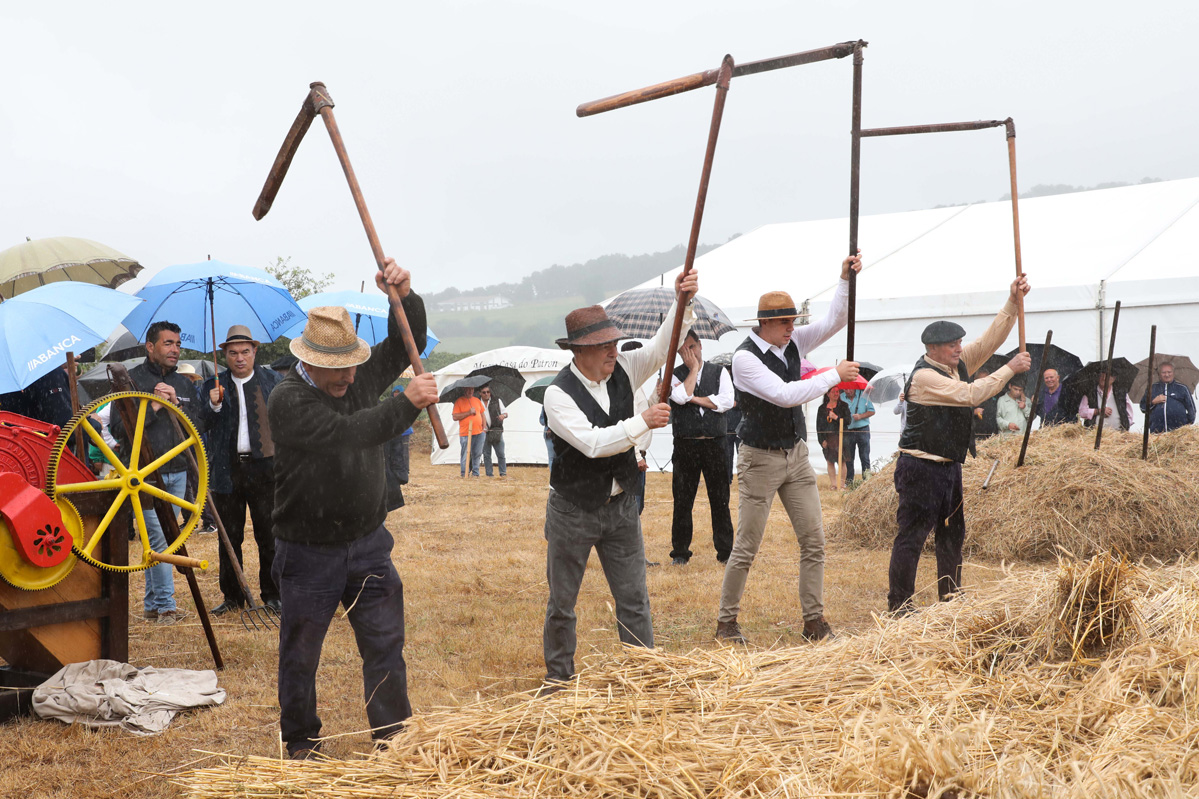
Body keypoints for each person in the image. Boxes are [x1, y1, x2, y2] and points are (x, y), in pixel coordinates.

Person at [267, 258, 438, 760]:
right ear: (309, 361)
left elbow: (410, 341)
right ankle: (300, 742)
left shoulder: (357, 378)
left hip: (368, 545)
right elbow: (347, 435)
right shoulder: (287, 400)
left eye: (351, 366)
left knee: (385, 645)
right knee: (300, 656)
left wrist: (403, 297)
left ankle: (395, 739)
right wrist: (405, 403)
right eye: (335, 369)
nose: (347, 377)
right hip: (307, 552)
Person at [540, 269, 698, 686]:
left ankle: (643, 676)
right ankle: (559, 680)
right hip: (572, 510)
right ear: (579, 351)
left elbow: (665, 342)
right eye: (603, 346)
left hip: (621, 505)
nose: (613, 351)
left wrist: (683, 301)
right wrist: (641, 422)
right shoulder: (557, 395)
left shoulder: (625, 367)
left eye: (613, 343)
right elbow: (592, 443)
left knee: (634, 598)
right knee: (562, 602)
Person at [716, 253, 862, 645]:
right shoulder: (744, 359)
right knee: (746, 545)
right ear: (763, 323)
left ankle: (814, 622)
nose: (791, 327)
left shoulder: (793, 340)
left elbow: (836, 320)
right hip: (759, 457)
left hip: (794, 453)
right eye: (783, 321)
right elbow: (783, 395)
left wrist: (844, 279)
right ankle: (726, 623)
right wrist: (835, 374)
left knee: (814, 540)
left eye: (793, 321)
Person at [888, 275, 1032, 616]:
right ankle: (899, 606)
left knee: (952, 536)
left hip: (949, 466)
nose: (958, 347)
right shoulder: (925, 376)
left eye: (959, 342)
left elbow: (989, 341)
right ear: (933, 349)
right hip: (920, 467)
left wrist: (1012, 301)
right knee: (912, 538)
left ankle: (950, 600)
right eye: (952, 344)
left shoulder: (957, 364)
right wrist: (1009, 370)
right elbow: (969, 395)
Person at [110, 321, 202, 625]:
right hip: (145, 475)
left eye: (177, 344)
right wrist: (154, 408)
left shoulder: (185, 383)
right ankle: (166, 606)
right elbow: (118, 430)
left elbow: (197, 428)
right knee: (162, 538)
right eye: (167, 343)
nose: (175, 349)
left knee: (159, 538)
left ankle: (152, 605)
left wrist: (176, 404)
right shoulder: (129, 381)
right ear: (150, 347)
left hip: (179, 471)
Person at [198, 326, 284, 616]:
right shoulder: (213, 384)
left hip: (265, 469)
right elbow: (201, 425)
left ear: (254, 352)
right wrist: (213, 405)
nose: (239, 358)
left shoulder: (272, 381)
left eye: (245, 351)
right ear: (224, 354)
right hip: (227, 470)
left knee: (269, 535)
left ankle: (273, 595)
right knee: (229, 536)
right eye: (233, 353)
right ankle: (233, 596)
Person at [668, 330, 735, 566]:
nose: (690, 353)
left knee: (720, 499)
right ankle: (680, 552)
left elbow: (726, 401)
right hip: (686, 445)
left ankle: (726, 552)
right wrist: (693, 370)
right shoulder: (673, 374)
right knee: (683, 500)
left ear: (700, 346)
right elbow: (678, 396)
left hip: (715, 444)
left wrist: (695, 399)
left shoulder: (720, 371)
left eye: (693, 347)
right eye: (684, 349)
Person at [1140, 362, 1195, 433]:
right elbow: (1143, 408)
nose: (1167, 375)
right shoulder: (1152, 388)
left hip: (1179, 433)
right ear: (1159, 374)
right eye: (1163, 372)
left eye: (1169, 372)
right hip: (1157, 432)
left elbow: (1192, 409)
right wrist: (1153, 402)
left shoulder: (1182, 388)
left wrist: (1185, 424)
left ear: (1173, 373)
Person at [816, 386, 850, 490]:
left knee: (842, 461)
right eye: (834, 392)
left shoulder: (844, 406)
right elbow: (819, 426)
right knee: (830, 461)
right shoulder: (822, 408)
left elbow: (848, 421)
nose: (836, 393)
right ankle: (834, 484)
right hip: (828, 439)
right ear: (828, 394)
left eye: (838, 391)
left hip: (841, 437)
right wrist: (822, 440)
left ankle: (842, 484)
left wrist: (836, 418)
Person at [840, 387, 875, 483]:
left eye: (850, 389)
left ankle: (867, 481)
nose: (848, 391)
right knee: (849, 458)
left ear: (854, 387)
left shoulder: (864, 395)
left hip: (863, 429)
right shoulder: (841, 397)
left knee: (864, 456)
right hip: (848, 430)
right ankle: (849, 481)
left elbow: (872, 411)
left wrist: (860, 416)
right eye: (846, 389)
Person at [451, 386, 486, 477]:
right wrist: (468, 412)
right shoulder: (459, 401)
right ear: (464, 390)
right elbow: (455, 417)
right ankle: (464, 473)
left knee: (477, 453)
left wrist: (484, 428)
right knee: (465, 454)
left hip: (479, 432)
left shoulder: (477, 400)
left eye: (472, 389)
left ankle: (475, 473)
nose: (470, 391)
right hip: (465, 433)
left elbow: (482, 414)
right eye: (468, 389)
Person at [479, 385, 508, 478]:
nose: (486, 394)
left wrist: (503, 416)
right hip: (483, 431)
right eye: (484, 392)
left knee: (500, 453)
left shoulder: (497, 400)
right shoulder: (477, 403)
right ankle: (489, 474)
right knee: (486, 454)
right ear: (480, 393)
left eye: (488, 392)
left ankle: (503, 473)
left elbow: (506, 413)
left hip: (496, 430)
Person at [971, 368, 999, 441]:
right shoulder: (969, 393)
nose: (984, 383)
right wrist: (973, 412)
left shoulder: (995, 392)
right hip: (975, 436)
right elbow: (959, 412)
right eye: (981, 380)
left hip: (992, 436)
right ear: (975, 379)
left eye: (986, 380)